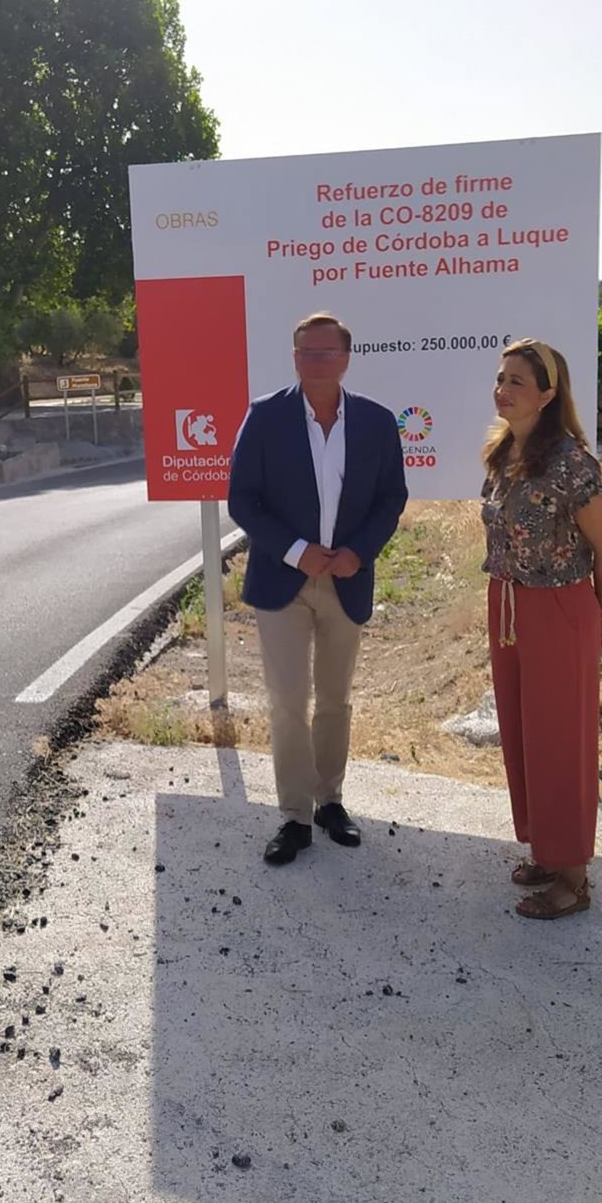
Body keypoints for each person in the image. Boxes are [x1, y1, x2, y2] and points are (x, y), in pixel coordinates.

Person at [228, 311, 408, 865]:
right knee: (288, 702)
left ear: (346, 358)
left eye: (326, 352)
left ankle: (330, 801)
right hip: (282, 581)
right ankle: (294, 816)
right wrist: (295, 549)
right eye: (305, 352)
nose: (315, 361)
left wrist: (359, 552)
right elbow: (242, 499)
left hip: (345, 580)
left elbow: (391, 498)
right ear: (294, 358)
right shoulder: (265, 416)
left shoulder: (376, 422)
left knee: (334, 700)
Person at [481, 338, 602, 919]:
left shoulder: (571, 462)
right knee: (522, 733)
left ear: (547, 393)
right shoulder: (501, 454)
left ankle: (574, 878)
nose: (503, 389)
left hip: (560, 609)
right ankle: (546, 848)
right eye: (501, 378)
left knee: (560, 740)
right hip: (509, 605)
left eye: (516, 380)